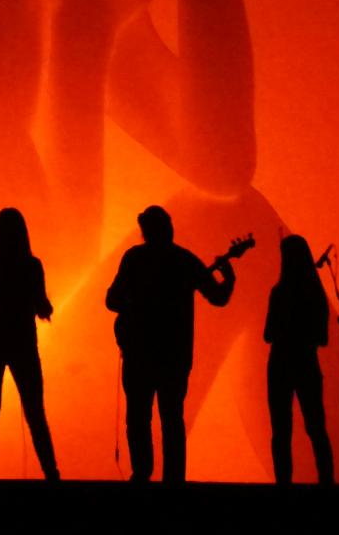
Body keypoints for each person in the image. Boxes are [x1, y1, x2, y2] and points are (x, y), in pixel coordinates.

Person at [106, 205, 235, 483]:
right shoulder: (184, 261)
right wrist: (229, 280)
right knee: (171, 418)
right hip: (173, 354)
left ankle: (142, 473)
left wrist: (136, 305)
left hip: (142, 352)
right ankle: (173, 479)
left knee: (140, 417)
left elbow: (112, 299)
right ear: (168, 228)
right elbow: (218, 296)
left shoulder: (135, 258)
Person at [0, 208, 59, 481]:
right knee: (35, 411)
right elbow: (40, 305)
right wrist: (46, 307)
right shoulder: (32, 265)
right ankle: (51, 472)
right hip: (22, 341)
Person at [263, 234, 334, 485]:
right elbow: (323, 338)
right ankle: (326, 480)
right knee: (316, 426)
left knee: (281, 430)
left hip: (280, 363)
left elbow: (268, 334)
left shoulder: (279, 292)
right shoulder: (316, 294)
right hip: (306, 362)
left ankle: (284, 482)